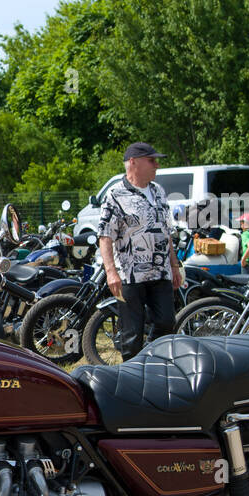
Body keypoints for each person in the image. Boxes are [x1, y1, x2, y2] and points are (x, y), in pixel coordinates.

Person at [96, 142, 185, 360]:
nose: (157, 165)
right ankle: (131, 376)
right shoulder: (115, 195)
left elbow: (166, 232)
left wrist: (174, 264)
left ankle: (149, 362)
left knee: (166, 322)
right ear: (133, 163)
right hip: (129, 276)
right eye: (152, 160)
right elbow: (105, 236)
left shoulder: (159, 191)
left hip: (161, 272)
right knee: (132, 333)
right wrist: (110, 271)